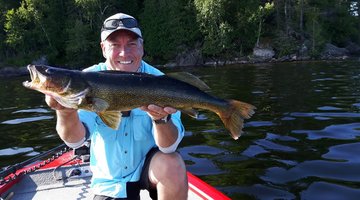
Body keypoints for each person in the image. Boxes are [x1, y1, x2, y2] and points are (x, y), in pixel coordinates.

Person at [45, 13, 188, 200]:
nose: (124, 53)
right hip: (110, 181)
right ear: (103, 49)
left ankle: (226, 109)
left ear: (142, 47)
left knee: (173, 163)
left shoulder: (162, 82)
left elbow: (169, 147)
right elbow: (75, 141)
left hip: (151, 168)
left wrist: (161, 119)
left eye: (131, 44)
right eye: (115, 45)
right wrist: (65, 112)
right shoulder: (85, 80)